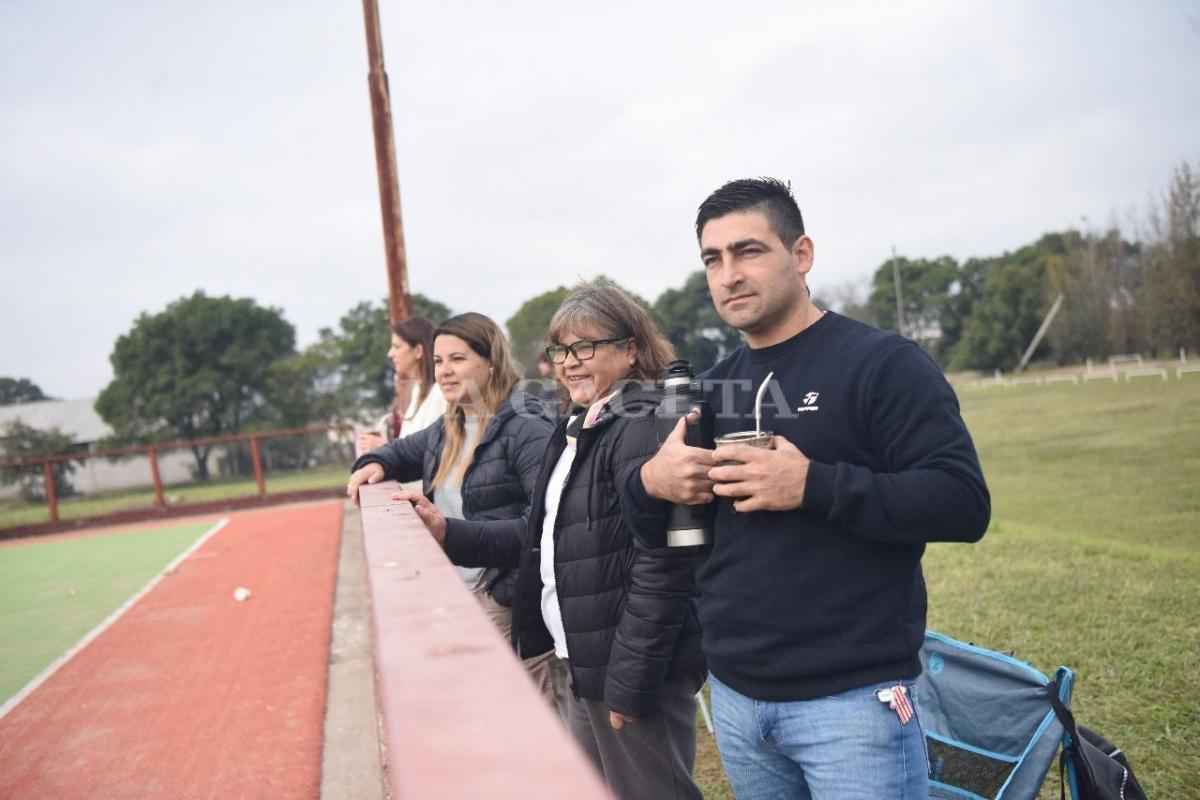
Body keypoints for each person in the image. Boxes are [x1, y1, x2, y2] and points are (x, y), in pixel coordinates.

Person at [627, 178, 992, 800]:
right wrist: (649, 484)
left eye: (749, 251)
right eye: (713, 260)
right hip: (739, 698)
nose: (729, 275)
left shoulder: (883, 364)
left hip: (853, 702)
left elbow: (962, 503)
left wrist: (813, 484)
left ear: (801, 255)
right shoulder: (711, 388)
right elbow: (662, 536)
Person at [398, 283, 705, 800]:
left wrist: (629, 680)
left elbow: (663, 563)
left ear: (631, 349)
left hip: (626, 669)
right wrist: (448, 533)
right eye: (560, 350)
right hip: (585, 660)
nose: (568, 362)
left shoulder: (642, 419)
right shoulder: (582, 422)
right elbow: (536, 536)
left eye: (585, 347)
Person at [346, 312, 553, 660]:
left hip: (505, 601)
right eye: (439, 360)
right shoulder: (451, 425)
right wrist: (372, 463)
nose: (443, 371)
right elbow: (398, 451)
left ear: (491, 363)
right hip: (458, 591)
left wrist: (451, 537)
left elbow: (542, 528)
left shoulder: (527, 426)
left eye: (458, 359)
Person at [356, 317, 447, 494]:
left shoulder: (439, 394)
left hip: (428, 502)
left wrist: (386, 447)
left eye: (397, 346)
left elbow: (436, 454)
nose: (390, 353)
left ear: (418, 351)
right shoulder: (418, 391)